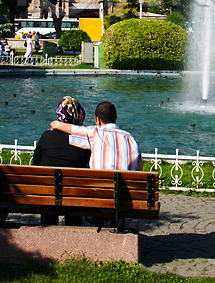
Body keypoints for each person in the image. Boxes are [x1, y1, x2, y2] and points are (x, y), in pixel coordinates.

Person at [50, 101, 142, 229]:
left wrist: (53, 127)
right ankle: (118, 226)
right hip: (124, 203)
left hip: (99, 202)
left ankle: (98, 225)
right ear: (115, 118)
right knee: (120, 195)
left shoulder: (94, 133)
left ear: (97, 119)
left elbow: (56, 124)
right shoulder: (130, 138)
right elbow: (138, 171)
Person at [33, 96, 91, 225]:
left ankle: (48, 229)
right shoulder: (82, 141)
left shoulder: (46, 136)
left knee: (49, 192)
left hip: (47, 196)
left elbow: (35, 165)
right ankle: (74, 230)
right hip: (73, 197)